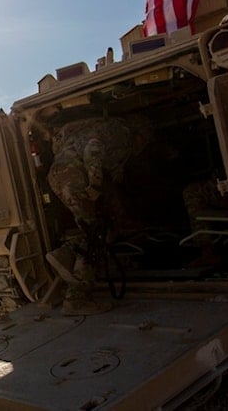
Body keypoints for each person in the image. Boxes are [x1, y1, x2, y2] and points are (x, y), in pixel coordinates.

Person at [43, 116, 152, 316]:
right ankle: (76, 299)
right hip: (73, 176)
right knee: (94, 234)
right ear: (139, 133)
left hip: (59, 175)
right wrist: (94, 184)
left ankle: (66, 253)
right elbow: (93, 148)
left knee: (89, 227)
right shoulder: (119, 133)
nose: (142, 145)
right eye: (144, 139)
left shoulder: (99, 131)